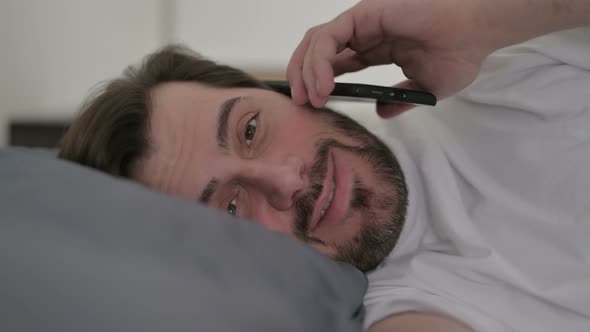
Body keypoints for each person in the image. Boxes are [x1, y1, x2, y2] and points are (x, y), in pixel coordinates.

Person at [58, 0, 590, 331]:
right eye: (232, 208)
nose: (287, 181)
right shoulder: (411, 307)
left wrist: (486, 18)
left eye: (249, 130)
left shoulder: (506, 58)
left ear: (285, 91)